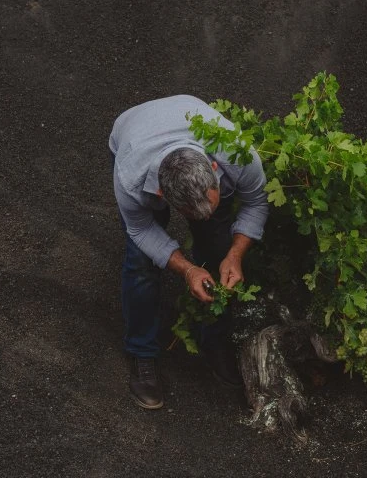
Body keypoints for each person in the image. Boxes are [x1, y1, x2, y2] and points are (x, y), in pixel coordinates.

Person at [108, 95, 269, 409]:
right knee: (141, 265)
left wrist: (234, 254)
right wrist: (187, 269)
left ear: (213, 168)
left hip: (188, 116)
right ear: (161, 195)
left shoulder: (235, 152)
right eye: (194, 214)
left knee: (217, 241)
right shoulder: (131, 177)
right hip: (132, 132)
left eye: (214, 199)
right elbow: (141, 229)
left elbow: (257, 202)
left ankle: (215, 339)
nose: (205, 215)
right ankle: (143, 352)